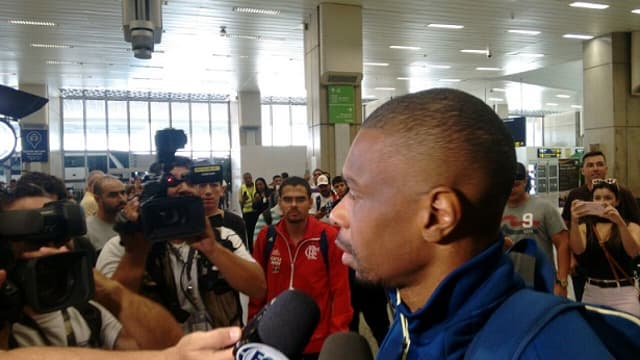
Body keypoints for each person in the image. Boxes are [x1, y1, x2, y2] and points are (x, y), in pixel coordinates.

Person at [329, 88, 640, 359]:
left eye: (356, 193)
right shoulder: (412, 323)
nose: (336, 214)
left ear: (439, 215)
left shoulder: (547, 348)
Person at [0, 186, 182, 350]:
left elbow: (170, 349)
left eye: (61, 239)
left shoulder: (87, 311)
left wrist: (112, 291)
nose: (53, 250)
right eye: (34, 241)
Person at [97, 157, 265, 333]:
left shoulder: (223, 237)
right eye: (172, 182)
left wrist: (213, 249)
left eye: (190, 181)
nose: (183, 188)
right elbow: (110, 311)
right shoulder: (123, 246)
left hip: (220, 347)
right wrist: (137, 252)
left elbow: (258, 288)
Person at [250, 176, 352, 359]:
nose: (294, 205)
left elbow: (340, 291)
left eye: (300, 199)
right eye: (287, 199)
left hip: (317, 340)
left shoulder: (328, 237)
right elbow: (257, 291)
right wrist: (254, 333)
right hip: (274, 339)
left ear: (310, 202)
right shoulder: (266, 238)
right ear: (279, 203)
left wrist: (337, 336)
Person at [561, 150, 640, 300]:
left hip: (620, 266)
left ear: (606, 168)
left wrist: (620, 223)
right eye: (590, 165)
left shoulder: (624, 193)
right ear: (583, 170)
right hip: (584, 266)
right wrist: (570, 257)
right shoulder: (575, 195)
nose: (595, 168)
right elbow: (565, 227)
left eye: (599, 164)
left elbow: (635, 228)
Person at [569, 179, 640, 316]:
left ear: (617, 201)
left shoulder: (631, 227)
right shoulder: (585, 227)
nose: (602, 202)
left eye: (608, 198)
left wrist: (619, 223)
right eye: (597, 198)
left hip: (623, 293)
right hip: (592, 291)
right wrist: (574, 220)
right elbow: (578, 250)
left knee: (628, 334)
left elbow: (633, 252)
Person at [500, 162, 570, 296]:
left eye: (516, 185)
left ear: (525, 182)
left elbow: (563, 244)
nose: (511, 190)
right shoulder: (495, 211)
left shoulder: (544, 208)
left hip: (542, 282)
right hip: (508, 283)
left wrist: (562, 282)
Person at [86, 175, 127, 252]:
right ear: (97, 199)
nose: (122, 199)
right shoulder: (87, 231)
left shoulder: (129, 222)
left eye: (123, 193)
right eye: (113, 195)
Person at [239, 172, 258, 251]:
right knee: (250, 233)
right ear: (244, 179)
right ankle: (251, 249)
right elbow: (240, 202)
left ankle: (258, 248)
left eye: (249, 178)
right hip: (247, 213)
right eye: (246, 178)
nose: (248, 179)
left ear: (251, 178)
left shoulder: (256, 186)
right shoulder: (242, 188)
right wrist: (243, 200)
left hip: (257, 212)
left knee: (258, 231)